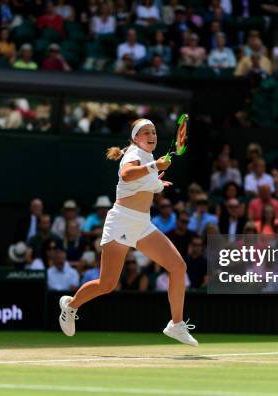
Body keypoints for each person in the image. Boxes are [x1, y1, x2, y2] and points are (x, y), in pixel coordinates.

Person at [58, 118, 198, 346]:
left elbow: (140, 185)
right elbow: (126, 175)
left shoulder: (149, 157)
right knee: (107, 284)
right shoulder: (133, 154)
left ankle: (176, 324)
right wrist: (155, 168)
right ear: (135, 138)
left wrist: (158, 182)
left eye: (153, 131)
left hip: (143, 224)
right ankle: (71, 306)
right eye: (145, 132)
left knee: (178, 266)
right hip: (122, 221)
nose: (151, 135)